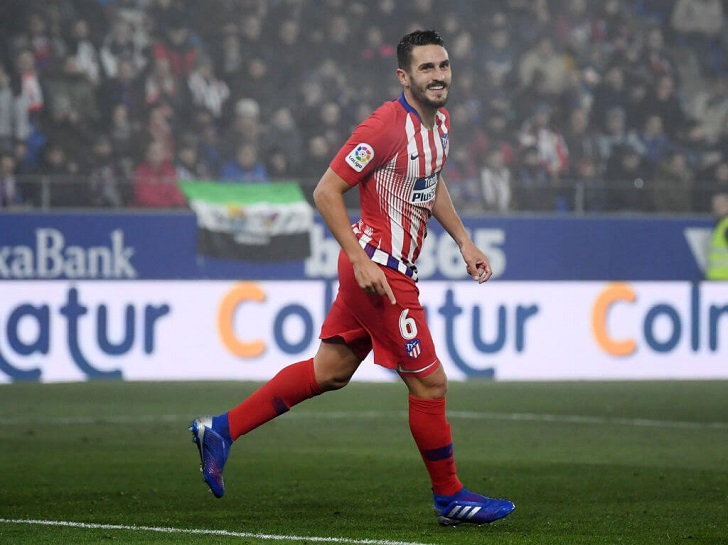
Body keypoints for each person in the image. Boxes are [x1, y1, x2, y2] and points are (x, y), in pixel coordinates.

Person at [189, 29, 515, 527]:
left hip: (385, 265)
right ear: (404, 76)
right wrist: (358, 258)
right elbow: (325, 191)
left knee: (329, 372)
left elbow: (430, 183)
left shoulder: (441, 124)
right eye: (426, 69)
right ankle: (450, 497)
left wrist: (463, 241)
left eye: (443, 66)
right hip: (379, 271)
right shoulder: (384, 126)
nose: (438, 76)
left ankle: (221, 430)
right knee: (429, 383)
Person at [706, 192, 728, 280]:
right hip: (718, 279)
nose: (715, 207)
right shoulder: (721, 225)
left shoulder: (726, 225)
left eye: (719, 205)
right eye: (714, 204)